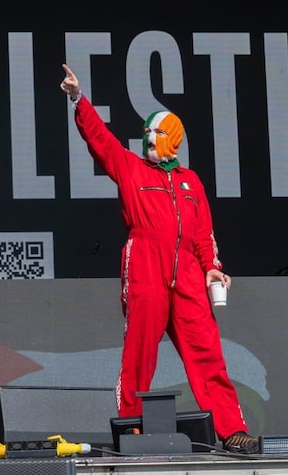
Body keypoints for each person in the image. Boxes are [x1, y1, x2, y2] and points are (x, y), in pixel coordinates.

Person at [59, 63, 259, 454]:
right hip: (146, 265)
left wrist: (212, 268)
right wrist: (78, 99)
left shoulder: (191, 182)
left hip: (187, 271)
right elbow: (101, 141)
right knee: (140, 353)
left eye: (158, 132)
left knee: (207, 353)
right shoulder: (132, 169)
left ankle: (232, 430)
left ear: (176, 139)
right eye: (147, 132)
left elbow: (203, 234)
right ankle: (131, 432)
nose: (150, 137)